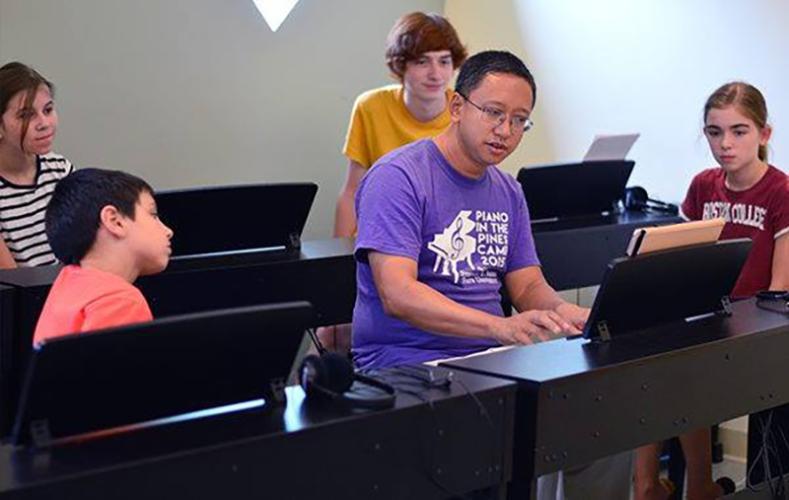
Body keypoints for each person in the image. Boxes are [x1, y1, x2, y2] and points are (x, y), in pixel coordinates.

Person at [351, 50, 588, 370]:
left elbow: (528, 285)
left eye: (519, 120)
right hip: (406, 361)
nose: (506, 131)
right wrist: (498, 326)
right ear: (457, 108)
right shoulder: (398, 177)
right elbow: (398, 294)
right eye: (494, 113)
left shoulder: (509, 191)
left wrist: (562, 311)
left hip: (489, 357)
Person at [634, 82, 788, 500]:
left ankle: (698, 484)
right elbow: (683, 265)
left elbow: (779, 288)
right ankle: (648, 486)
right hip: (709, 317)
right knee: (651, 357)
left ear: (764, 134)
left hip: (758, 325)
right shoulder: (703, 185)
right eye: (714, 132)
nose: (725, 144)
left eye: (739, 131)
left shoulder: (781, 191)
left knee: (684, 369)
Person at [320, 11, 467, 352]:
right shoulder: (370, 107)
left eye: (444, 62)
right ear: (401, 65)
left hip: (437, 248)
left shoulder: (462, 113)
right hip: (380, 241)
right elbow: (351, 191)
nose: (436, 74)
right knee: (331, 335)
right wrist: (341, 265)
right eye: (422, 62)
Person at [33, 168, 173, 344]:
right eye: (153, 215)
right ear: (115, 221)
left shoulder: (68, 282)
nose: (168, 231)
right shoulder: (119, 300)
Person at [0, 62, 74, 268]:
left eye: (48, 110)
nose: (44, 123)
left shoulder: (61, 170)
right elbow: (10, 282)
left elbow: (83, 249)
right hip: (25, 296)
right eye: (26, 115)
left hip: (68, 289)